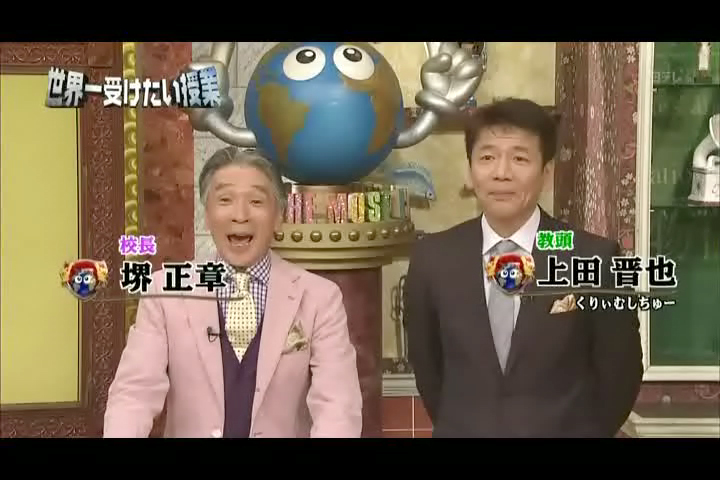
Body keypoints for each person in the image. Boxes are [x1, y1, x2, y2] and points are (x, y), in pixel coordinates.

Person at [404, 98, 643, 437]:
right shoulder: (433, 258)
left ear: (547, 173)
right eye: (487, 157)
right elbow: (429, 369)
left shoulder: (594, 258)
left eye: (519, 158)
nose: (501, 173)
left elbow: (620, 373)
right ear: (470, 171)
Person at [104, 147, 362, 438]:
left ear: (279, 216)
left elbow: (338, 406)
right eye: (225, 200)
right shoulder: (165, 290)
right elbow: (134, 394)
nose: (240, 215)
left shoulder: (320, 298)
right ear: (207, 214)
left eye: (256, 201)